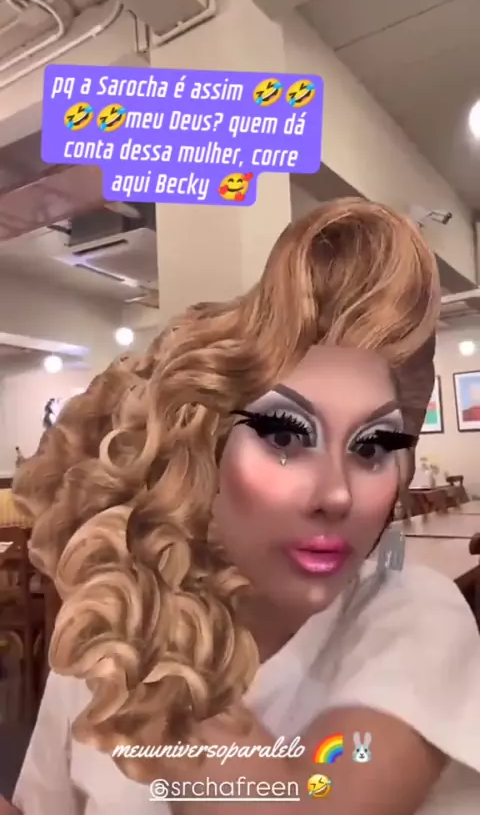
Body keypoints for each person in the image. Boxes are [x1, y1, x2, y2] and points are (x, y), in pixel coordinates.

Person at [10, 199, 480, 814]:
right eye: (285, 436)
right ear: (205, 447)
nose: (336, 494)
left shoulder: (415, 616)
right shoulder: (103, 636)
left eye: (371, 447)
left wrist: (151, 654)